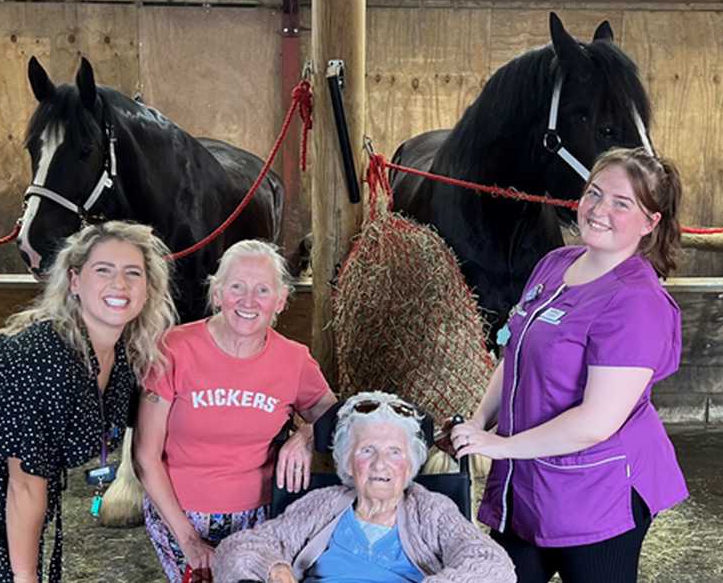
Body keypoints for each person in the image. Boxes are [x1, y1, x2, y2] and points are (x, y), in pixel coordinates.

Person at [0, 221, 176, 583]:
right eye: (104, 270)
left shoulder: (120, 356)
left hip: (4, 474)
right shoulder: (42, 357)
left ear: (148, 289)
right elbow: (25, 485)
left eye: (133, 273)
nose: (119, 284)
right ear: (74, 282)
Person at [449, 147, 687, 583]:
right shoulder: (554, 265)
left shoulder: (636, 303)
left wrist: (498, 446)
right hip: (529, 478)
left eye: (622, 203)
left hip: (598, 491)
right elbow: (515, 355)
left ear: (650, 223)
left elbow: (596, 422)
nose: (599, 210)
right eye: (594, 193)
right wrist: (480, 421)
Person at [134, 239, 338, 583]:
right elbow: (145, 456)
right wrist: (188, 540)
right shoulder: (172, 349)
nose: (248, 301)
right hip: (179, 514)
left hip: (259, 517)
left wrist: (306, 434)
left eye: (262, 290)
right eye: (236, 287)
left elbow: (336, 417)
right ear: (217, 293)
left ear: (281, 300)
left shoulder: (294, 360)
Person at [211, 391, 517, 583]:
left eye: (394, 452)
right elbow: (235, 550)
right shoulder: (320, 505)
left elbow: (493, 566)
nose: (380, 464)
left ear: (410, 464)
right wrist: (274, 569)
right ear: (346, 462)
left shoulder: (432, 510)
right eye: (367, 450)